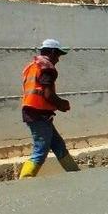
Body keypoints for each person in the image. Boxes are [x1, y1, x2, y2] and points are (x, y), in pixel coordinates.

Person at [19, 39, 80, 178]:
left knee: (59, 146)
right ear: (52, 52)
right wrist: (61, 104)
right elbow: (48, 94)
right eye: (58, 55)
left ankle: (76, 175)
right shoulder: (47, 67)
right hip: (38, 114)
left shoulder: (33, 66)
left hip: (35, 112)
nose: (58, 59)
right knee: (40, 151)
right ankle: (24, 181)